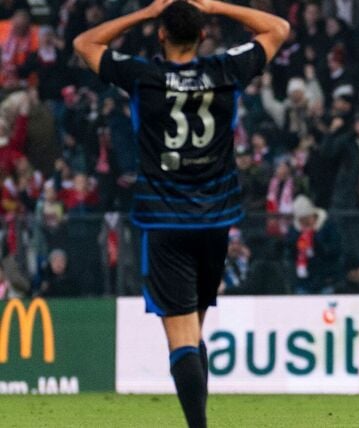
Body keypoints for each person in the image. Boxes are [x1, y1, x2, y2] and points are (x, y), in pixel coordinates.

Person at [73, 1, 288, 427]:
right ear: (203, 34)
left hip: (164, 220)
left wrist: (145, 12)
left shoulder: (143, 76)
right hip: (215, 221)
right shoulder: (225, 70)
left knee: (182, 337)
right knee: (194, 330)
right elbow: (278, 28)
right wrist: (216, 6)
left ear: (161, 34)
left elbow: (85, 43)